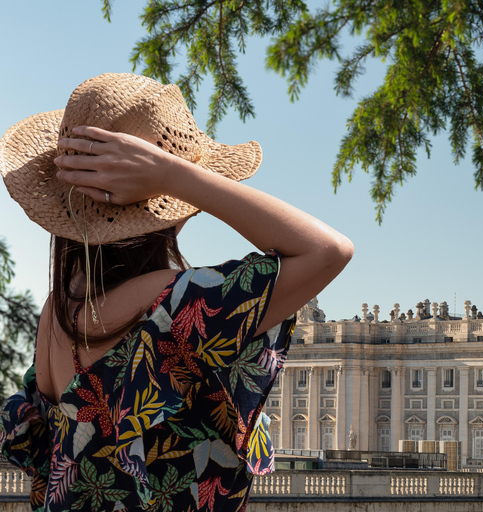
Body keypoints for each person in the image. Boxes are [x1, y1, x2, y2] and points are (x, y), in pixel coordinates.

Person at [0, 73, 353, 511]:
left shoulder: (59, 308)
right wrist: (174, 174)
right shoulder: (177, 304)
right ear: (163, 200)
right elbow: (328, 251)